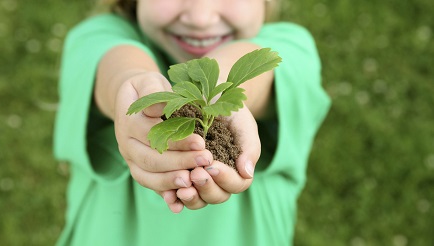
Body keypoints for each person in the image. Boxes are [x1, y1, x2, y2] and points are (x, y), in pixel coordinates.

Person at [53, 0, 331, 245]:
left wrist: (218, 87)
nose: (200, 17)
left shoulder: (293, 47)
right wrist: (134, 87)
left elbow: (261, 74)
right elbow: (117, 67)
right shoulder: (96, 37)